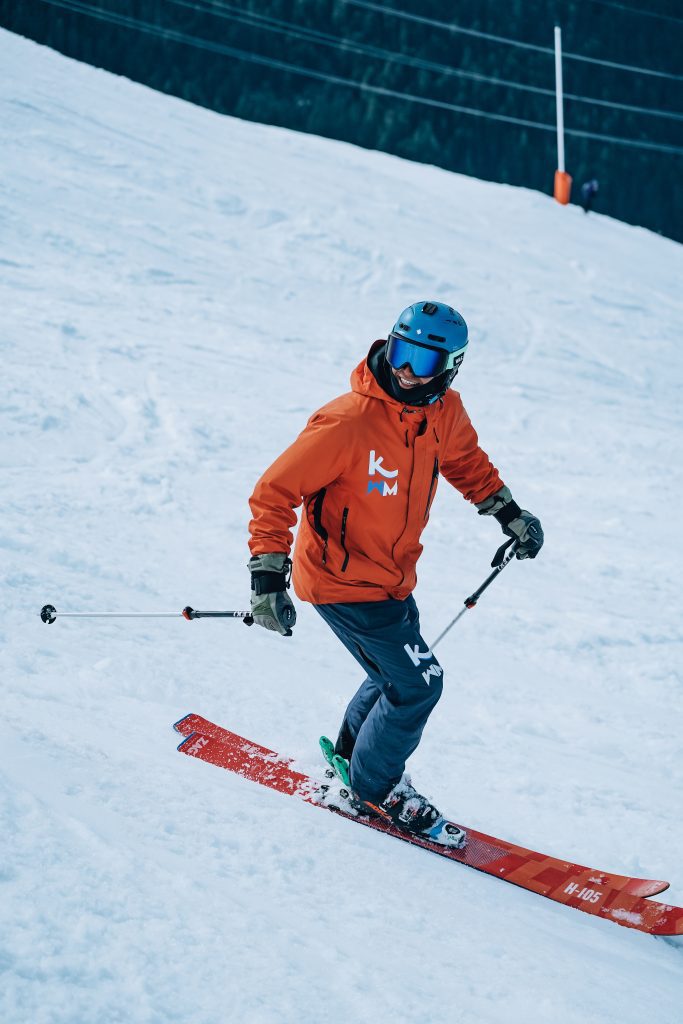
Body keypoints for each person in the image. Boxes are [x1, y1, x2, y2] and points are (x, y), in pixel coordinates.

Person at [247, 301, 543, 846]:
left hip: (390, 576)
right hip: (342, 581)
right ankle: (375, 789)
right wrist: (268, 577)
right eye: (402, 352)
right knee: (419, 685)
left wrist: (509, 513)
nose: (407, 370)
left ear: (451, 366)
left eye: (424, 361)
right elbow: (275, 491)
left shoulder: (444, 412)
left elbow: (466, 462)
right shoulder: (348, 420)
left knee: (397, 676)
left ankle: (352, 760)